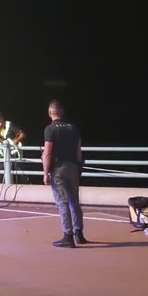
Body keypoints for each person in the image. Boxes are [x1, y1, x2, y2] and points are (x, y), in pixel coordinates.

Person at [41, 100, 85, 247]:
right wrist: (78, 168)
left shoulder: (50, 129)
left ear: (50, 113)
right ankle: (79, 233)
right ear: (62, 112)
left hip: (58, 169)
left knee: (62, 202)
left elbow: (47, 153)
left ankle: (68, 236)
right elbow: (78, 151)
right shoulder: (74, 128)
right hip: (73, 167)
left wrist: (45, 173)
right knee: (74, 201)